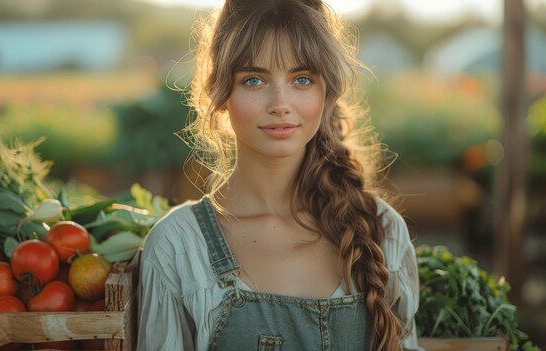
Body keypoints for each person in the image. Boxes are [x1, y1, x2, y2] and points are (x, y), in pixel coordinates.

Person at [137, 0, 422, 350]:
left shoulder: (382, 231)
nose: (280, 103)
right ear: (221, 93)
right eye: (254, 80)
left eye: (302, 79)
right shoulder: (177, 247)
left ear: (327, 93)